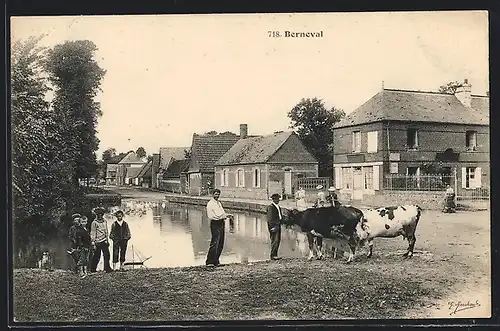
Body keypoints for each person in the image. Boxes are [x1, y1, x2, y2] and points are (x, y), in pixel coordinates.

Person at [205, 189, 233, 267]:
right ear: (212, 194)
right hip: (215, 223)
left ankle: (216, 260)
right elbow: (212, 216)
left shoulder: (219, 203)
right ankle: (209, 261)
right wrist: (224, 216)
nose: (217, 196)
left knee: (221, 242)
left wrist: (227, 215)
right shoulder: (210, 204)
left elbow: (222, 213)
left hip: (221, 223)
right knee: (215, 242)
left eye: (218, 194)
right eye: (216, 194)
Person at [89, 206, 113, 273]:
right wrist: (93, 242)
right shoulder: (94, 223)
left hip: (104, 241)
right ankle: (93, 269)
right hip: (97, 242)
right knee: (97, 256)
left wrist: (107, 240)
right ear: (96, 215)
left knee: (107, 255)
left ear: (103, 215)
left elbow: (106, 231)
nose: (100, 216)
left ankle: (107, 268)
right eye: (98, 215)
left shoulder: (104, 221)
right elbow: (93, 233)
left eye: (101, 214)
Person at [267, 193, 283, 260]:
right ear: (273, 200)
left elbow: (280, 216)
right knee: (274, 240)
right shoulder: (270, 207)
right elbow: (270, 219)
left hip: (278, 225)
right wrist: (272, 227)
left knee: (278, 240)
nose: (277, 200)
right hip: (274, 226)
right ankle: (273, 255)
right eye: (276, 199)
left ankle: (275, 254)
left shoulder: (278, 207)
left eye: (278, 199)